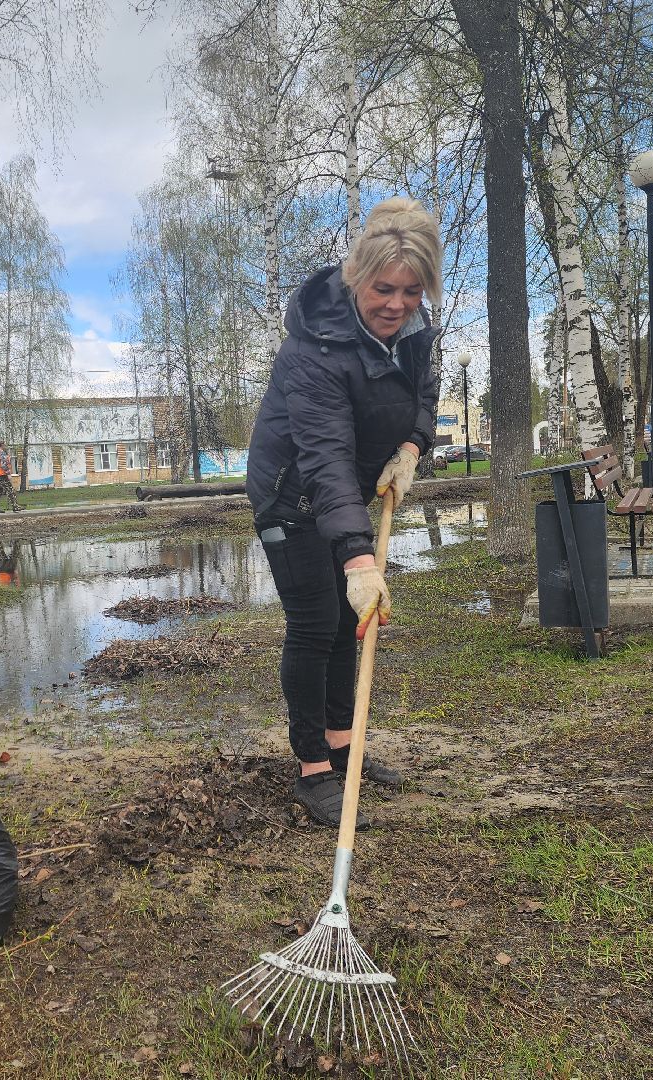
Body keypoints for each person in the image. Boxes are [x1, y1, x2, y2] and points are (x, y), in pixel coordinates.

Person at [246, 196, 441, 826]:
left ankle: (342, 749)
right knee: (316, 623)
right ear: (357, 276)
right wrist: (359, 557)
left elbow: (425, 392)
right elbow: (325, 455)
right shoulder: (313, 349)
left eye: (412, 291)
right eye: (384, 288)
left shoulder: (413, 331)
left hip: (342, 492)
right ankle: (312, 772)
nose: (397, 304)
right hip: (291, 491)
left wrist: (411, 446)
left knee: (343, 629)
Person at [0, 439, 21, 512]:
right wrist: (8, 474)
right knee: (10, 490)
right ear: (2, 445)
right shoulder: (1, 452)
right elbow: (3, 464)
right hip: (1, 475)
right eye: (5, 445)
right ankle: (15, 506)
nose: (5, 446)